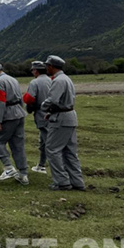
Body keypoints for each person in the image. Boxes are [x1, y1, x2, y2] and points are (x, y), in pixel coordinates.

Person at [42, 55, 85, 191]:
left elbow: (52, 100)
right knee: (70, 152)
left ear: (51, 66)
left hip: (60, 118)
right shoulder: (67, 78)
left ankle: (62, 182)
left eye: (47, 66)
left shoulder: (58, 80)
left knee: (52, 149)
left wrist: (43, 106)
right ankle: (77, 181)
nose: (46, 68)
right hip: (70, 116)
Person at [0, 62, 29, 185]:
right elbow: (20, 97)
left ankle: (8, 167)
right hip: (19, 113)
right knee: (18, 144)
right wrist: (22, 110)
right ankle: (23, 174)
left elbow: (0, 101)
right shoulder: (12, 79)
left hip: (8, 115)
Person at [23, 61, 51, 174]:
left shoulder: (35, 82)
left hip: (41, 113)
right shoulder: (51, 80)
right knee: (43, 141)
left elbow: (30, 99)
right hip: (52, 112)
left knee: (47, 140)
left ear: (36, 70)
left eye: (32, 70)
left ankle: (57, 167)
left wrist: (29, 108)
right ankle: (41, 164)